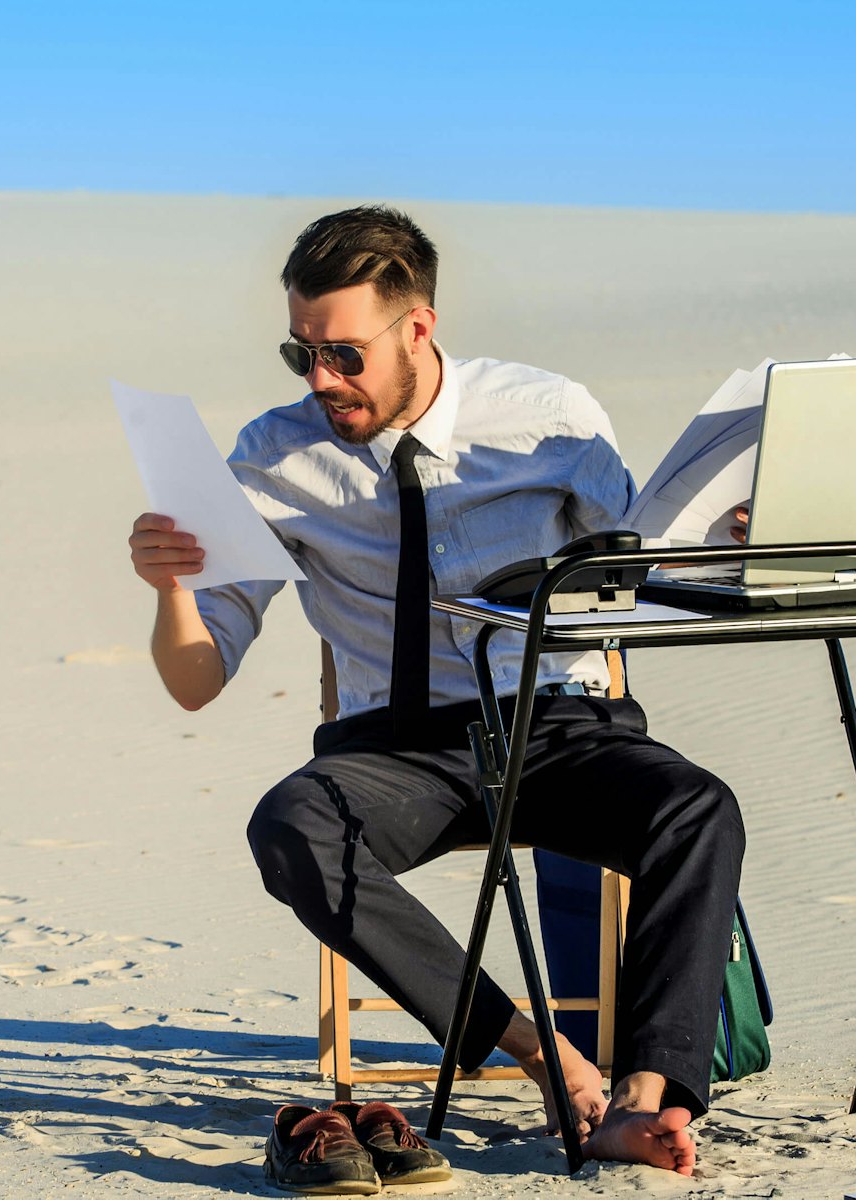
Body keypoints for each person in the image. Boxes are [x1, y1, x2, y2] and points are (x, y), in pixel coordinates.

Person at [126, 206, 745, 1178]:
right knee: (290, 827)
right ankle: (548, 1060)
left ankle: (647, 1098)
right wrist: (170, 587)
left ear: (419, 327)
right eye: (302, 356)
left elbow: (633, 568)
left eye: (344, 354)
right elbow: (197, 681)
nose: (323, 381)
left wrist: (718, 549)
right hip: (397, 756)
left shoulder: (552, 417)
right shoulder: (273, 456)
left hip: (558, 728)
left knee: (698, 808)